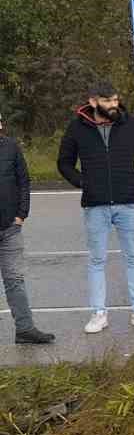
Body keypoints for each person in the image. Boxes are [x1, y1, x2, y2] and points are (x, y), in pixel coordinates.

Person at [56, 82, 134, 334]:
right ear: (93, 102)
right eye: (108, 101)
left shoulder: (131, 124)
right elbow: (64, 162)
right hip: (95, 205)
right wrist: (83, 183)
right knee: (96, 260)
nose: (114, 105)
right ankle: (98, 314)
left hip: (127, 202)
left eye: (115, 100)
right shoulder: (77, 128)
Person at [0, 106, 54, 345]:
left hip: (10, 228)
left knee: (15, 281)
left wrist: (21, 214)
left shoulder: (11, 147)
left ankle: (24, 329)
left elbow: (24, 182)